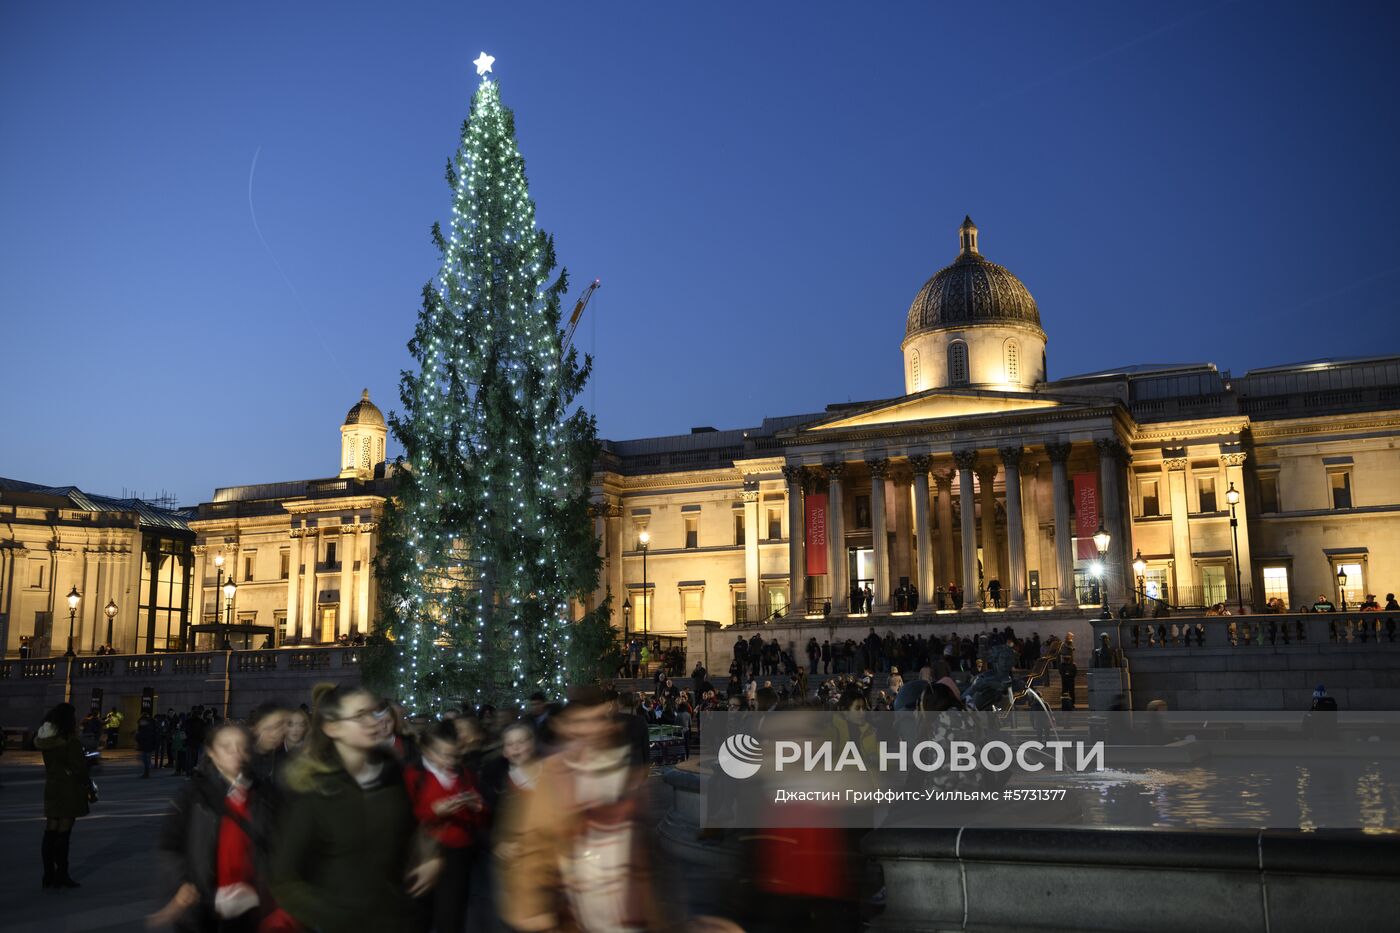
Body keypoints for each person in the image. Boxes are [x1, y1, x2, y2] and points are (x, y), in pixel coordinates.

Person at [271, 685, 441, 933]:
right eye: (360, 715)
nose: (373, 722)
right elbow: (285, 878)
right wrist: (335, 916)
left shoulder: (391, 774)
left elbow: (409, 833)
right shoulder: (312, 789)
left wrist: (429, 857)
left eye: (375, 712)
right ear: (332, 727)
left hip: (398, 919)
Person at [500, 685, 669, 931]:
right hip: (576, 912)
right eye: (580, 722)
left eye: (596, 720)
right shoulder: (552, 775)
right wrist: (530, 907)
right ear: (565, 727)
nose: (589, 730)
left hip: (626, 909)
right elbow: (534, 843)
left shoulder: (623, 772)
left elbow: (644, 847)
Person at [150, 722, 279, 932]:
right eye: (226, 747)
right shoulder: (193, 795)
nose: (235, 753)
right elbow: (170, 845)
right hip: (205, 907)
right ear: (211, 752)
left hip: (254, 908)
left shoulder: (265, 794)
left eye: (242, 747)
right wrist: (183, 883)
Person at [405, 721, 485, 933]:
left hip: (458, 854)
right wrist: (433, 811)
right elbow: (403, 820)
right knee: (419, 915)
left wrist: (478, 808)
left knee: (452, 917)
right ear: (427, 750)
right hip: (424, 853)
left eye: (454, 755)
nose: (450, 761)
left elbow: (481, 821)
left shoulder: (465, 775)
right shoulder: (413, 775)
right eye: (443, 754)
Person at [35, 702, 91, 889]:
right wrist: (87, 782)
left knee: (50, 830)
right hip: (69, 788)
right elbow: (79, 768)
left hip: (52, 786)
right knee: (64, 833)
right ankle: (62, 874)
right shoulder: (70, 740)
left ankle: (48, 874)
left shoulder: (46, 740)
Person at [136, 711, 160, 778]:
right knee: (145, 758)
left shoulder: (149, 725)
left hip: (147, 744)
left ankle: (147, 772)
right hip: (147, 744)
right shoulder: (150, 724)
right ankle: (147, 771)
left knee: (146, 758)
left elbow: (139, 734)